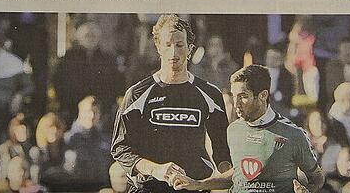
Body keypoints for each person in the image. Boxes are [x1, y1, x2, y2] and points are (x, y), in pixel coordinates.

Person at [111, 14, 231, 193]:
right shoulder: (137, 94)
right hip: (149, 188)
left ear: (190, 49)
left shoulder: (210, 94)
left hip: (194, 187)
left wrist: (223, 179)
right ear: (158, 47)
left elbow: (222, 150)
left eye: (180, 45)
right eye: (168, 45)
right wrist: (156, 169)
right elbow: (121, 148)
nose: (174, 52)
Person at [173, 64, 325, 193]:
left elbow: (317, 178)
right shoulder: (233, 130)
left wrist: (307, 191)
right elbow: (238, 174)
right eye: (234, 96)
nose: (236, 103)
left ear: (263, 96)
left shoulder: (293, 134)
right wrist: (198, 184)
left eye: (243, 96)